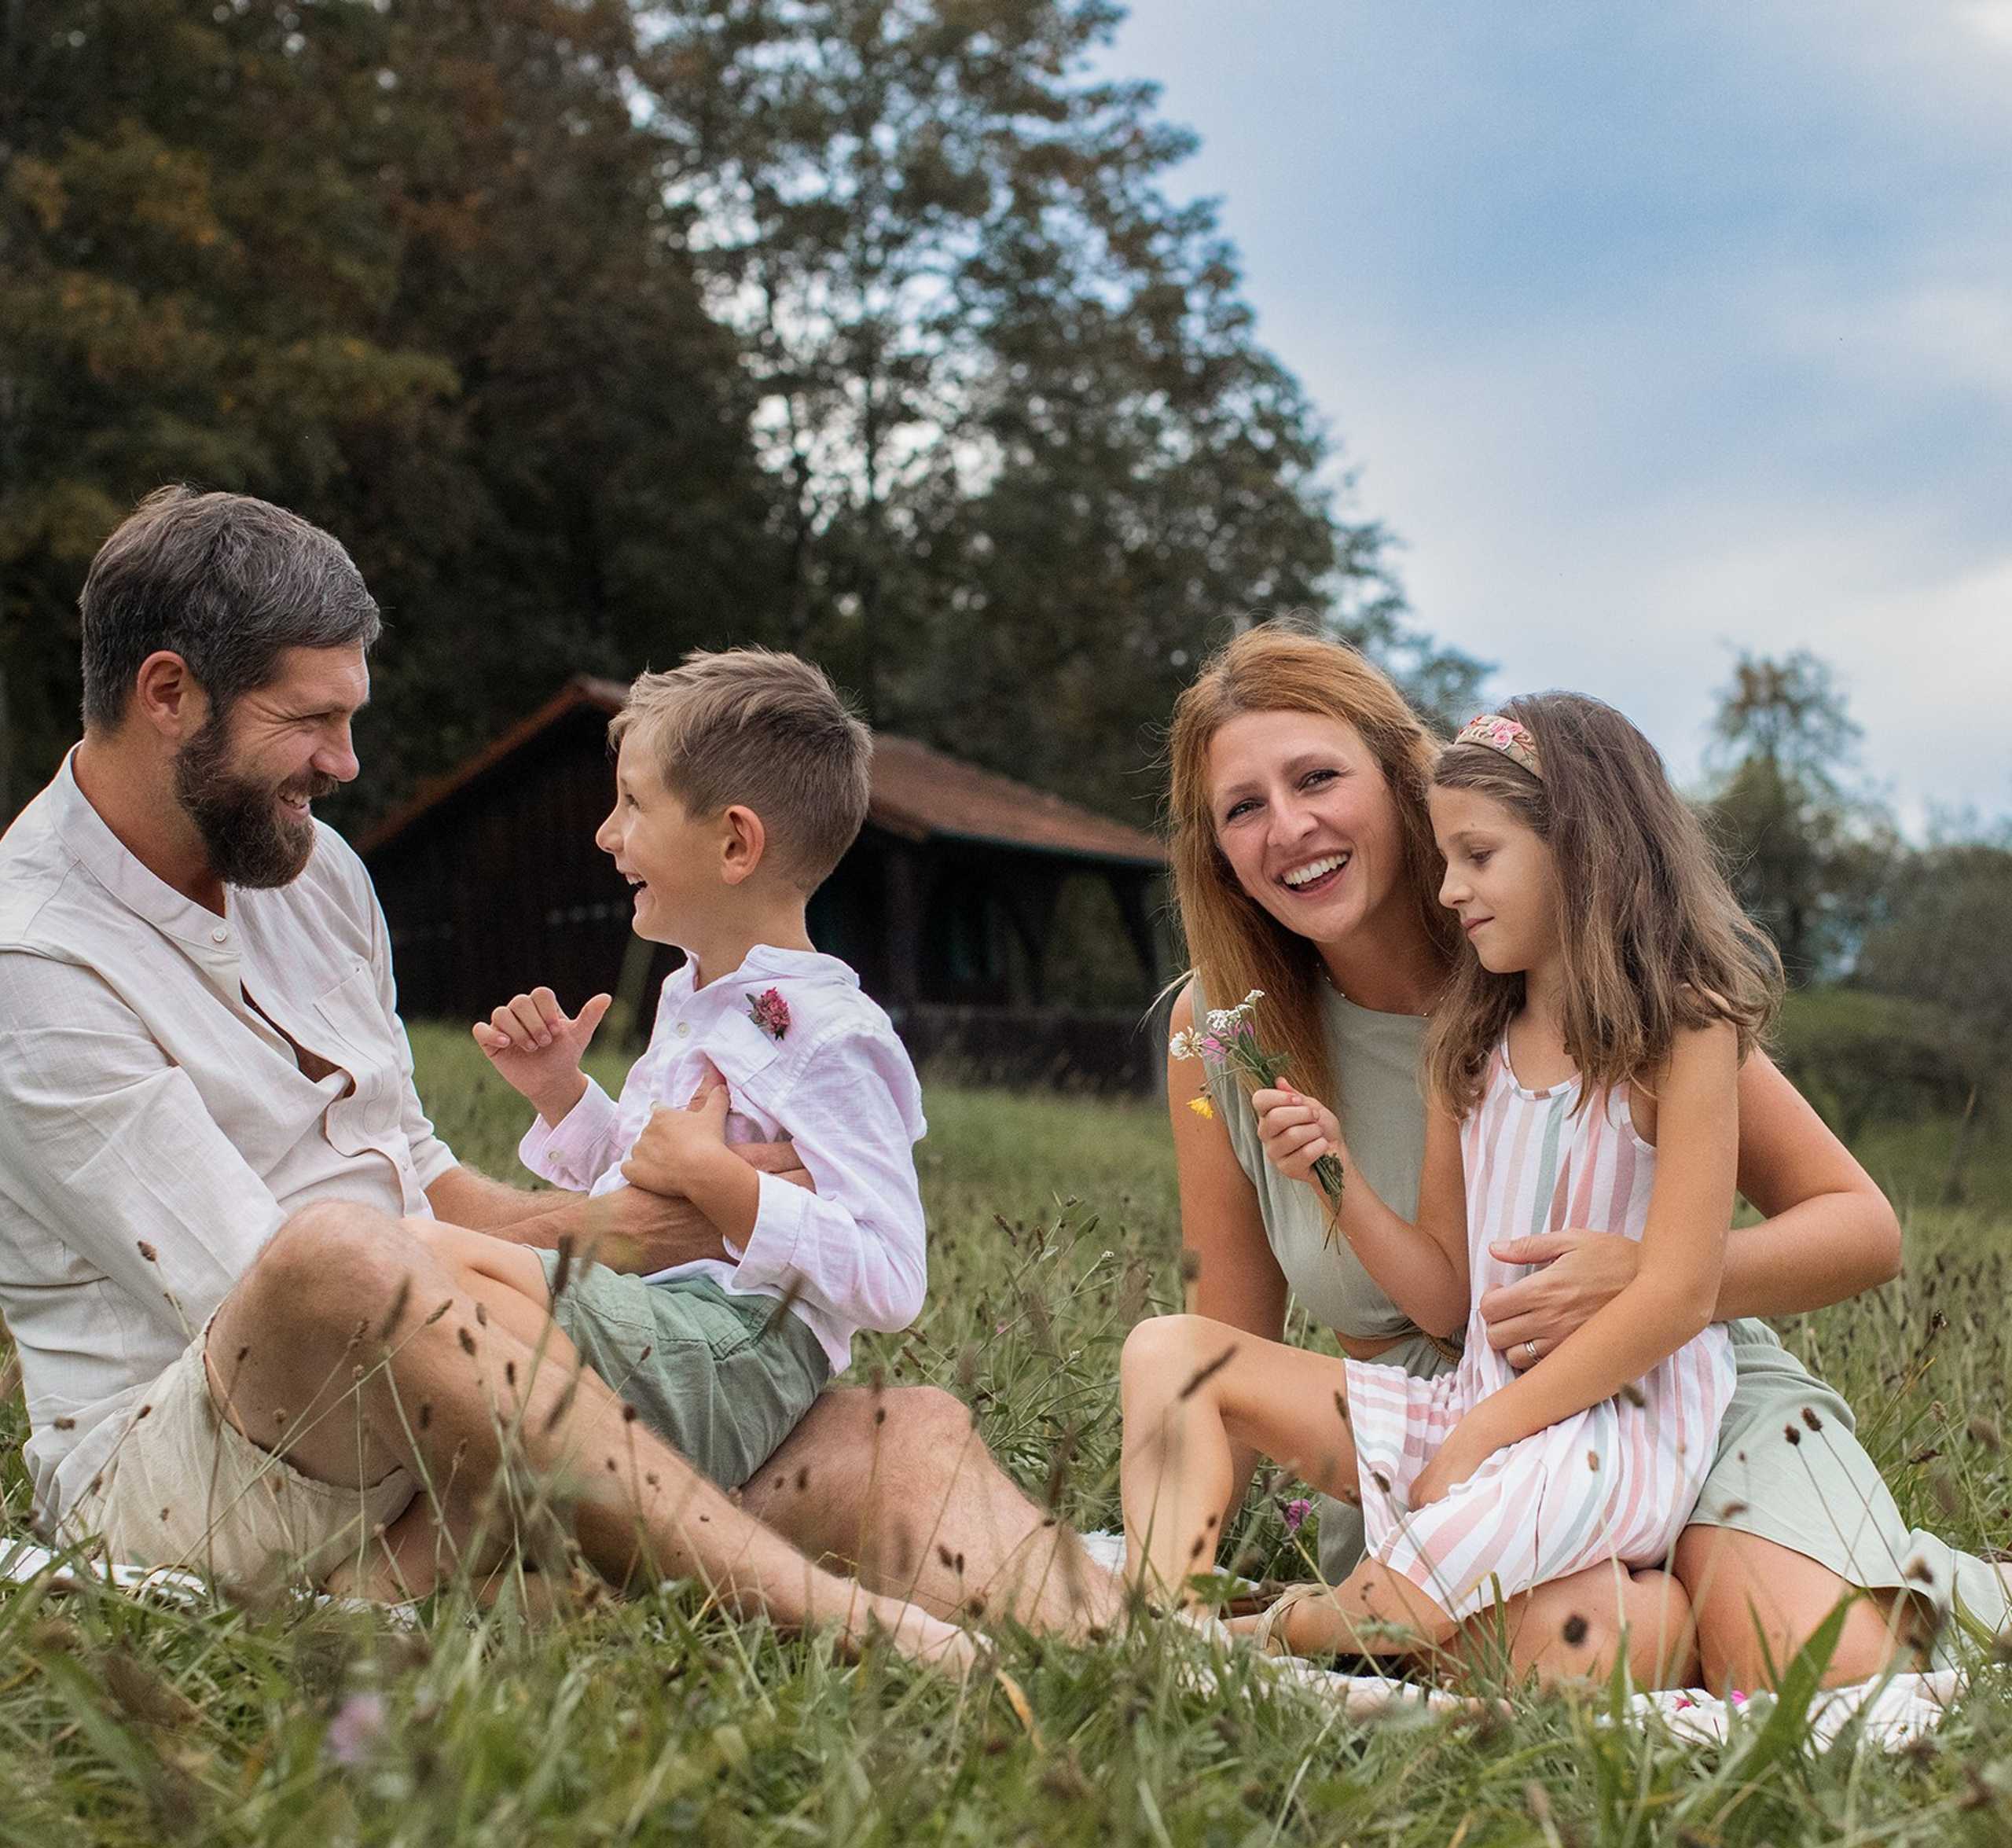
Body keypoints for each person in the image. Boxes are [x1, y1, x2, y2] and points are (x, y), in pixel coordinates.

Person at [0, 485, 1118, 1658]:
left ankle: (1213, 1667)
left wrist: (628, 1228)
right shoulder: (35, 960)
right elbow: (268, 1287)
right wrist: (621, 1240)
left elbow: (413, 1174)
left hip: (458, 1394)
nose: (344, 761)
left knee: (907, 1438)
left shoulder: (315, 876)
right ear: (169, 692)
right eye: (311, 720)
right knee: (331, 1255)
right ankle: (862, 1630)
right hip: (214, 1454)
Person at [1122, 621, 2010, 1688]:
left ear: (1404, 778)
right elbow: (1233, 1345)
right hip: (1451, 1441)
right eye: (1243, 808)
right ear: (1213, 849)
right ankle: (1161, 1653)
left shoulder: (1557, 965)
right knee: (1571, 1650)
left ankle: (1899, 1584)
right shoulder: (1228, 1034)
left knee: (1815, 1667)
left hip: (1677, 1386)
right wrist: (1192, 1544)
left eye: (1318, 777)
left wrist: (1648, 1275)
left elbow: (1859, 1229)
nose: (1290, 827)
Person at [1128, 696, 1777, 1673]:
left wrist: (1483, 1433)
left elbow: (1683, 1289)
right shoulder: (1469, 1033)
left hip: (1601, 1419)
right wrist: (1331, 1175)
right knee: (1167, 1350)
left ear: (1580, 848)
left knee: (1511, 1628)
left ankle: (1241, 1642)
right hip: (1468, 1404)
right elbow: (1446, 1300)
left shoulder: (1680, 1025)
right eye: (1242, 807)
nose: (1451, 891)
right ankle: (1156, 1620)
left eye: (1314, 778)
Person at [427, 648, 927, 1519]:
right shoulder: (693, 993)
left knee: (423, 1267)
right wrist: (562, 1094)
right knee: (419, 1277)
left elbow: (892, 1275)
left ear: (734, 841)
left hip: (737, 1350)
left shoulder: (833, 1034)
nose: (605, 832)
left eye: (631, 802)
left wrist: (719, 1182)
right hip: (653, 1313)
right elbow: (640, 1178)